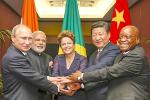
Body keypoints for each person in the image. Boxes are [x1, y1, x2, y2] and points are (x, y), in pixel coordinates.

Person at [68, 25, 150, 100]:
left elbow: (110, 72)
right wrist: (82, 85)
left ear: (137, 39)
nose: (123, 39)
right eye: (121, 37)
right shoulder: (120, 56)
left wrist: (81, 76)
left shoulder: (136, 55)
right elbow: (110, 77)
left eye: (127, 37)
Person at [2, 24, 66, 100]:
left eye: (30, 39)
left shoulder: (18, 53)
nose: (28, 42)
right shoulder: (15, 57)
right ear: (13, 38)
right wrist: (58, 88)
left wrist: (52, 78)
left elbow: (33, 76)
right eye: (24, 38)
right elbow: (34, 78)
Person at [83, 21, 120, 100]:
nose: (97, 38)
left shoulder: (114, 49)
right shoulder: (93, 54)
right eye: (94, 35)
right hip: (92, 96)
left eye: (100, 34)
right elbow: (90, 76)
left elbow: (101, 67)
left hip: (107, 96)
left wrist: (80, 75)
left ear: (109, 35)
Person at [52, 30, 87, 100]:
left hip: (78, 95)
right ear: (60, 46)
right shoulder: (58, 58)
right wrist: (70, 81)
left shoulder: (82, 59)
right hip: (61, 94)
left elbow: (80, 76)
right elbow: (55, 75)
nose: (66, 46)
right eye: (63, 44)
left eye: (69, 43)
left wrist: (65, 80)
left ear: (74, 45)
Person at [28, 31, 53, 100]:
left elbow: (52, 75)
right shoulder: (25, 56)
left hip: (47, 96)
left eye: (43, 41)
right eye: (37, 40)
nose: (41, 43)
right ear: (31, 41)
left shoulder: (49, 58)